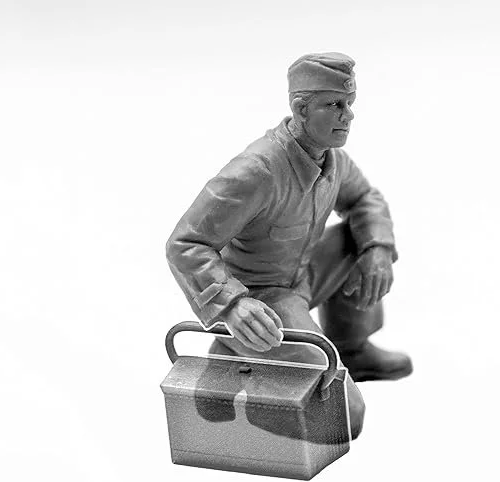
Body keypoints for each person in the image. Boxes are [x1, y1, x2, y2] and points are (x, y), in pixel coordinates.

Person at [166, 52, 412, 439]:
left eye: (349, 103)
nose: (348, 115)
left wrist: (377, 249)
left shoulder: (333, 161)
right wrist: (232, 305)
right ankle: (251, 376)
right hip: (264, 299)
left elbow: (365, 199)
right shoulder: (255, 171)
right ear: (300, 109)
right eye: (334, 105)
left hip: (302, 275)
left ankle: (350, 346)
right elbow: (185, 243)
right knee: (344, 415)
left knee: (359, 238)